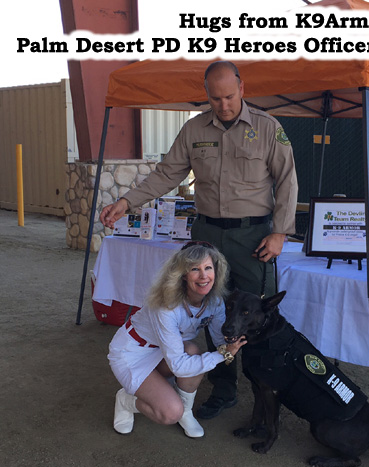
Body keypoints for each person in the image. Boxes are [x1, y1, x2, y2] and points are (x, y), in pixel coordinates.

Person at [100, 60, 298, 419]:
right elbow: (165, 174)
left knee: (255, 315)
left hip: (254, 236)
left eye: (229, 96)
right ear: (206, 95)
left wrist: (279, 232)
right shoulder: (193, 130)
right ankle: (224, 390)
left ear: (242, 87)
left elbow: (287, 180)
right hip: (207, 236)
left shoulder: (268, 129)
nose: (223, 104)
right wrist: (127, 201)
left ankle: (263, 390)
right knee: (214, 315)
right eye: (215, 98)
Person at [107, 241, 246, 438]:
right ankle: (126, 401)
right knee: (170, 413)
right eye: (194, 269)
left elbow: (218, 341)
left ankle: (186, 412)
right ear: (182, 275)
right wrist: (223, 355)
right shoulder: (166, 305)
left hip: (165, 350)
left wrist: (234, 343)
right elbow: (180, 367)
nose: (203, 276)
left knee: (193, 352)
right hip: (132, 352)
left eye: (208, 268)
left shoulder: (215, 301)